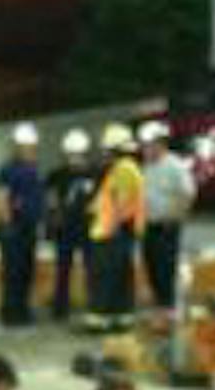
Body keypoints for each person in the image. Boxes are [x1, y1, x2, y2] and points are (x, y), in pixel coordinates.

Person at [84, 123, 146, 331]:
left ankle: (99, 318)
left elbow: (120, 204)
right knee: (119, 276)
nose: (103, 154)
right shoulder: (125, 168)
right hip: (117, 231)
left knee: (105, 276)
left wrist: (113, 227)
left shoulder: (123, 169)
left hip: (111, 233)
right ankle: (120, 316)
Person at [137, 121, 196, 312]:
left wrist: (177, 215)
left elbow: (187, 194)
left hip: (167, 227)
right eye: (144, 145)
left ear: (161, 144)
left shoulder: (174, 166)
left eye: (150, 144)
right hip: (149, 226)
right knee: (151, 266)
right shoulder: (146, 167)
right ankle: (160, 309)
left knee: (165, 270)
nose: (146, 149)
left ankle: (169, 310)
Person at [0, 123, 46, 327]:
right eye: (26, 146)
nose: (30, 150)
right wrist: (7, 224)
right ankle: (11, 312)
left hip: (29, 229)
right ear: (17, 147)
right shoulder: (8, 170)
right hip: (15, 229)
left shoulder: (34, 169)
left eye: (32, 146)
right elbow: (1, 198)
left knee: (26, 271)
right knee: (13, 272)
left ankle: (23, 309)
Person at [44, 128, 98, 322]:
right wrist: (52, 222)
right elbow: (51, 201)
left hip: (88, 229)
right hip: (65, 229)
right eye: (71, 154)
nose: (74, 158)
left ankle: (94, 305)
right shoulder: (56, 175)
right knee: (63, 269)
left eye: (78, 154)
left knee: (91, 268)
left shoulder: (95, 174)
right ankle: (60, 307)